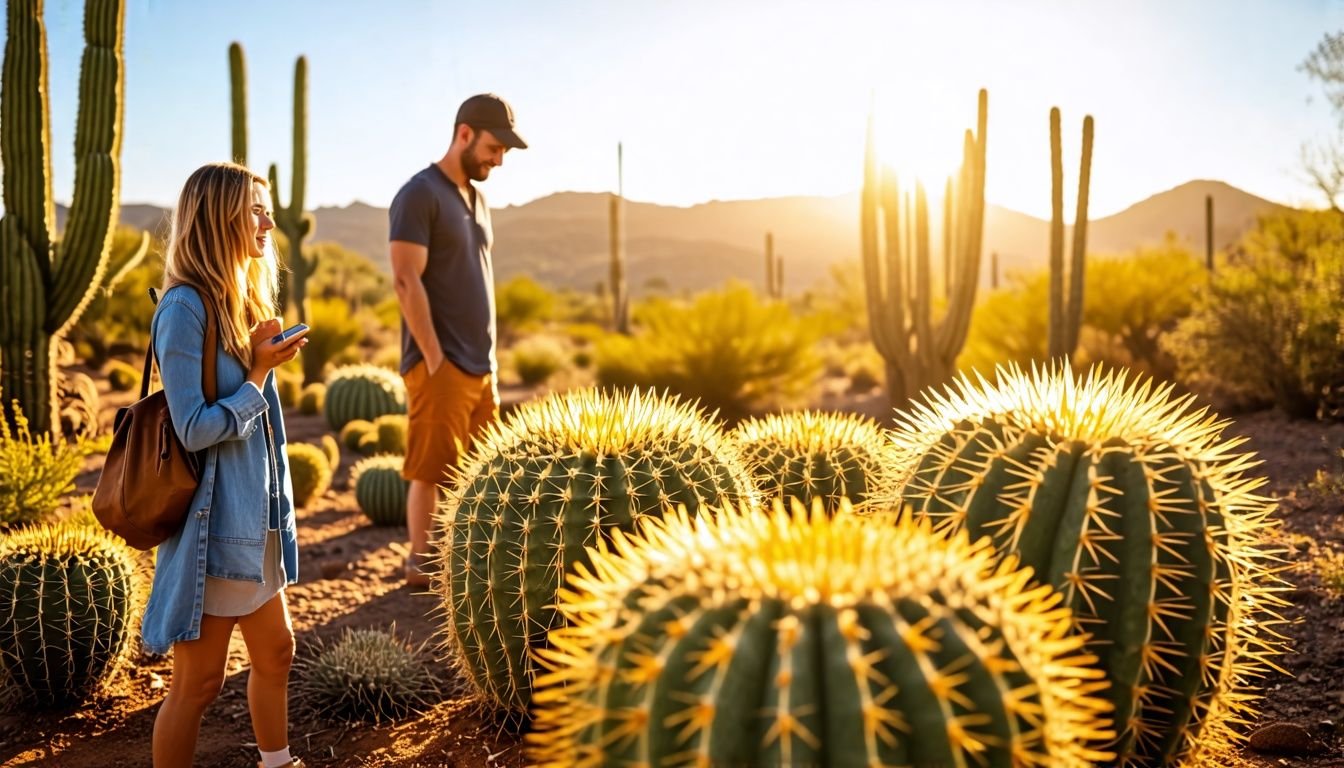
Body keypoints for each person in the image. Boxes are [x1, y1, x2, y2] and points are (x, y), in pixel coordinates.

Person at [142, 162, 309, 768]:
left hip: (254, 517)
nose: (268, 221)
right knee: (199, 685)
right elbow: (192, 427)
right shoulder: (184, 309)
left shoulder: (237, 301)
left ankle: (278, 763)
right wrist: (260, 374)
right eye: (255, 210)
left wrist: (262, 355)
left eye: (266, 209)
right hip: (214, 527)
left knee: (277, 653)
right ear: (220, 218)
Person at [389, 93, 527, 587]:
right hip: (441, 363)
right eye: (494, 147)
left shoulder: (477, 198)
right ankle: (420, 565)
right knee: (430, 469)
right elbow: (406, 279)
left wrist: (488, 359)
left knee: (481, 470)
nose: (499, 159)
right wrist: (434, 358)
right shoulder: (419, 193)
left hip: (480, 365)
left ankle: (466, 563)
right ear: (464, 134)